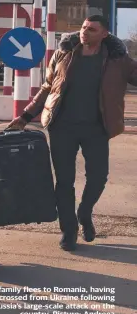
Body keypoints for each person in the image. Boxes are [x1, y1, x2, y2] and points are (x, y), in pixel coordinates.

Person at [8, 15, 137, 251]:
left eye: (92, 29)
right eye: (83, 27)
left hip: (97, 128)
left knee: (98, 177)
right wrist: (26, 115)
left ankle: (84, 211)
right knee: (64, 182)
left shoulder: (119, 60)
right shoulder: (64, 53)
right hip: (62, 127)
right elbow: (48, 87)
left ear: (104, 34)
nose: (85, 33)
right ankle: (69, 231)